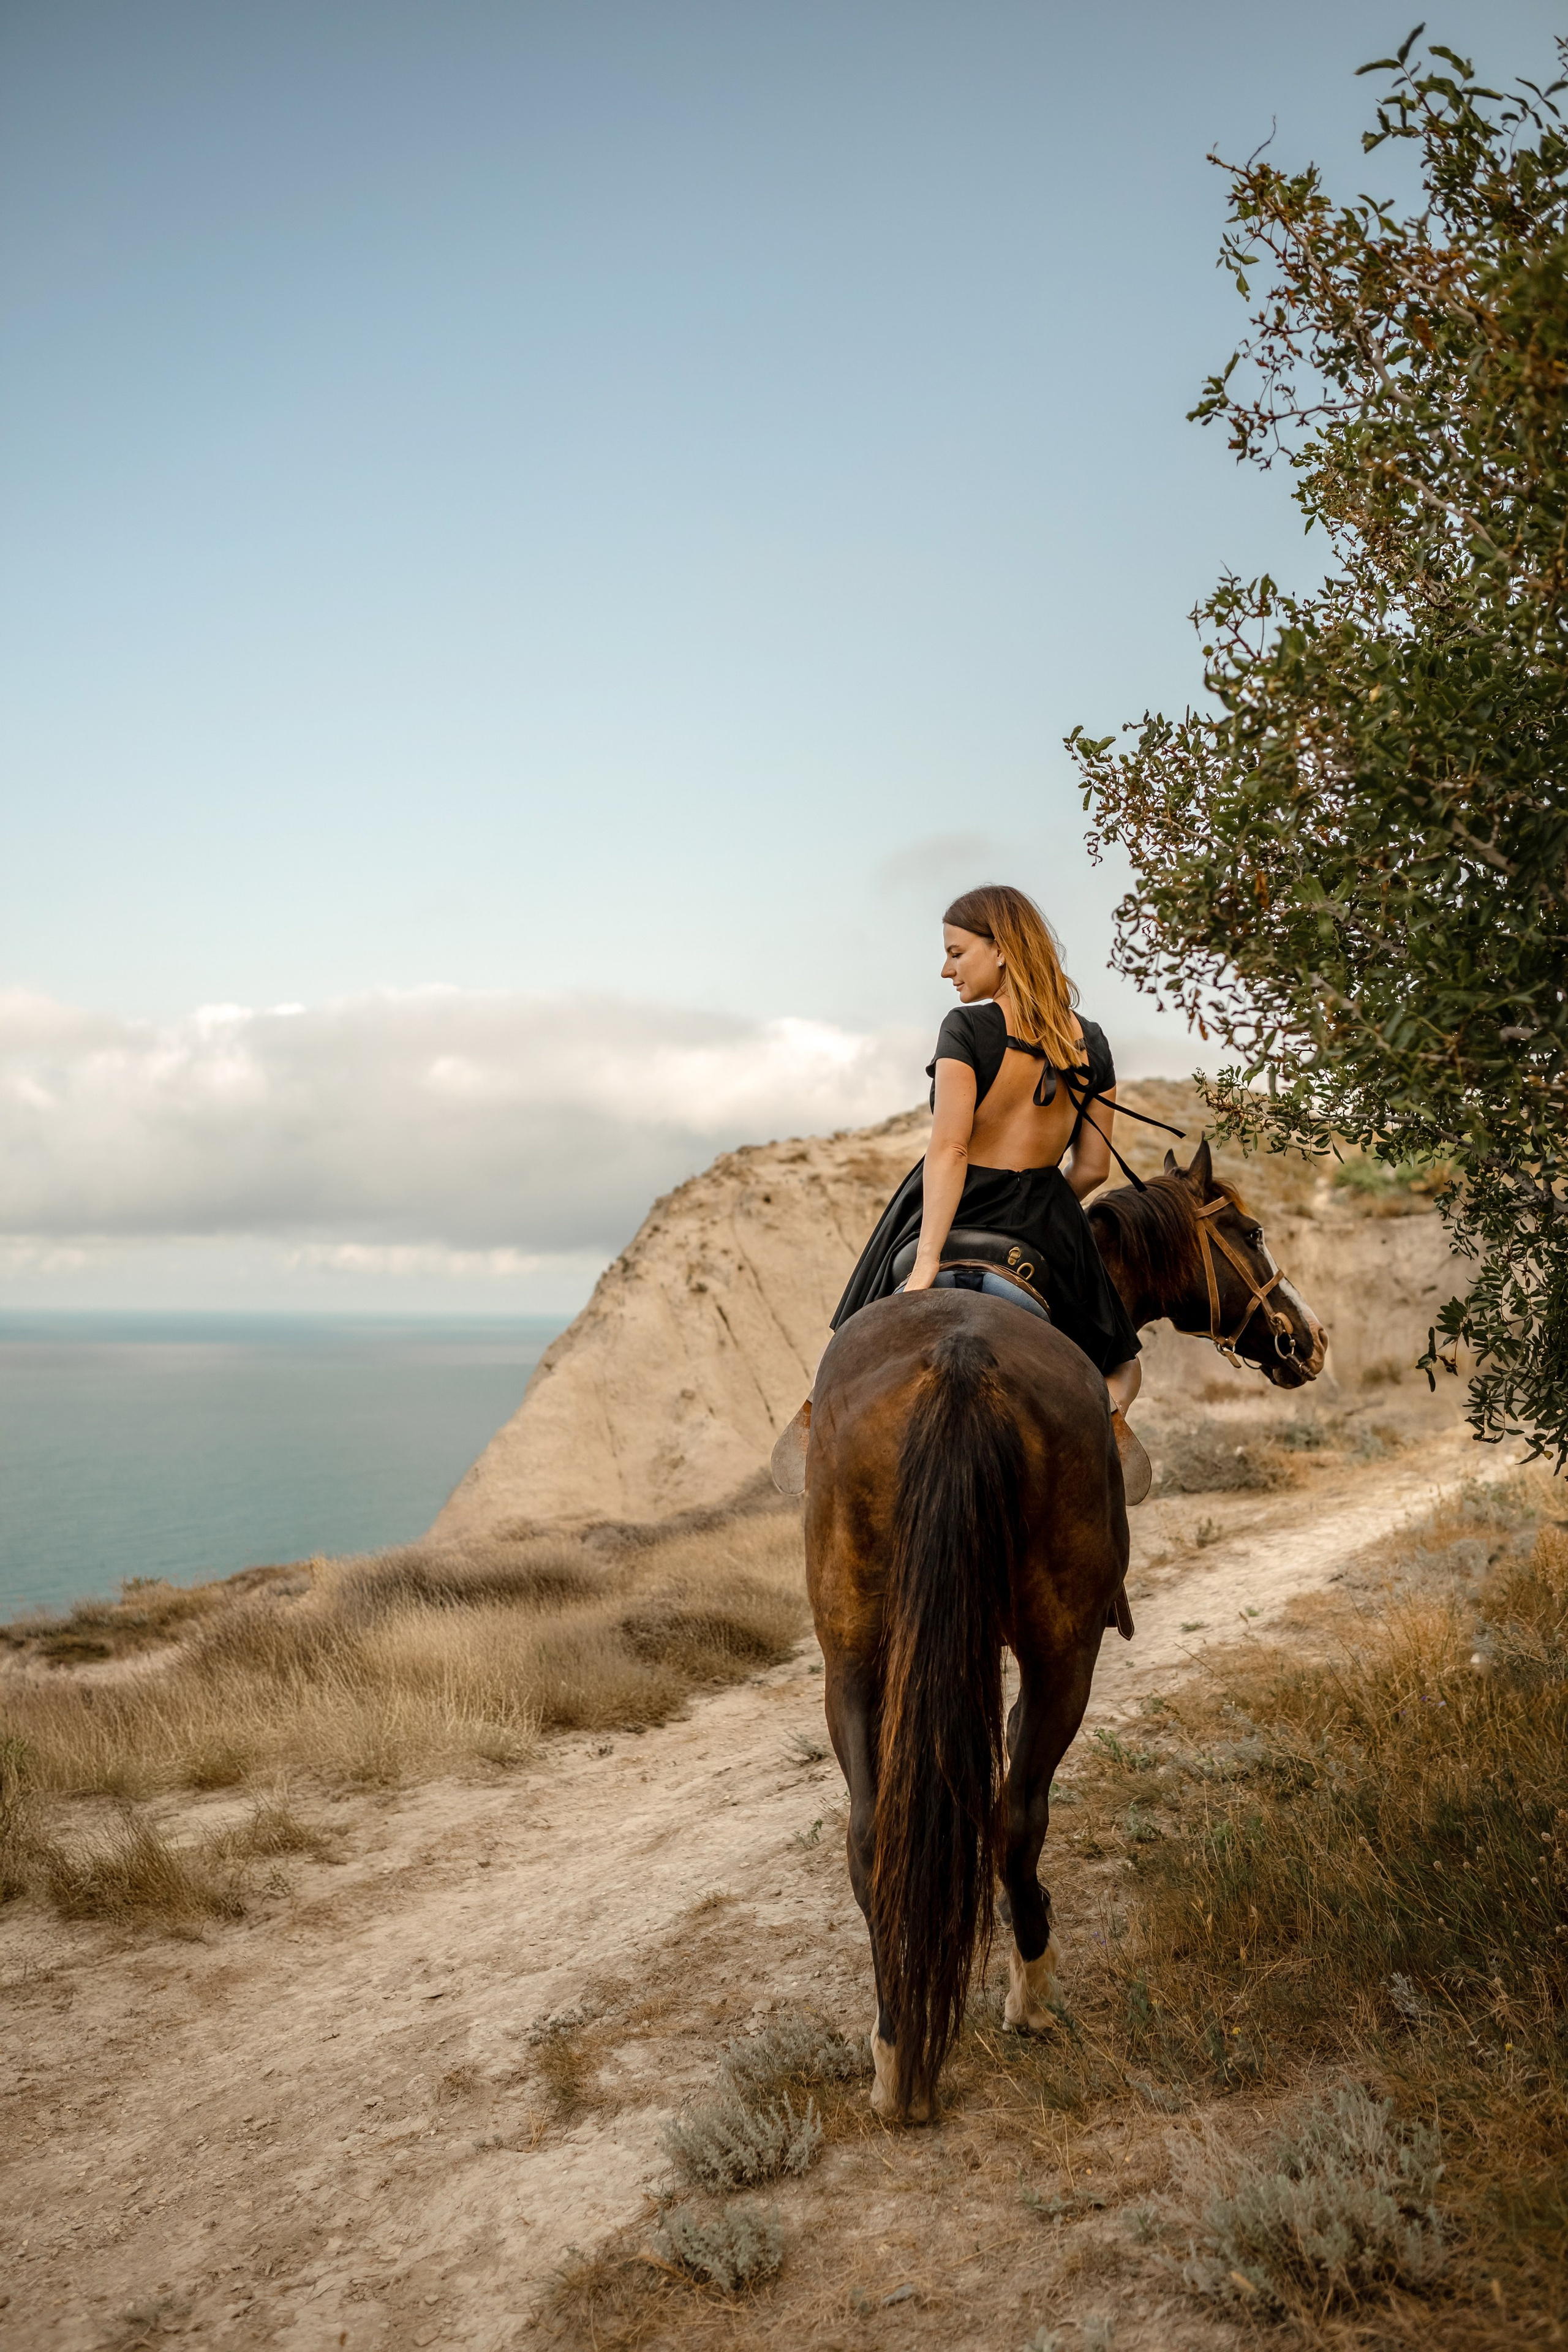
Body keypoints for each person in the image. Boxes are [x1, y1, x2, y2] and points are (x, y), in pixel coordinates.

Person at [829, 881, 1147, 1455]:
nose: (946, 970)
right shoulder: (1093, 1043)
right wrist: (1041, 1205)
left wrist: (928, 1264)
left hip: (951, 1212)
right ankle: (1097, 1446)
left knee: (843, 1353)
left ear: (1000, 949)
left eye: (956, 953)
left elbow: (950, 1150)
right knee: (1123, 1366)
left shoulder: (966, 1027)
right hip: (1042, 1225)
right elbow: (1093, 1168)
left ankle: (813, 1432)